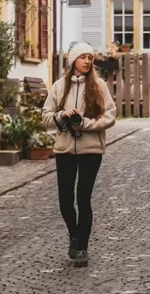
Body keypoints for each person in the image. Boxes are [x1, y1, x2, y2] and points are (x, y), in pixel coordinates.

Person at [43, 41, 116, 268]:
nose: (87, 61)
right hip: (65, 150)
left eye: (90, 58)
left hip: (90, 151)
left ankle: (82, 248)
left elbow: (110, 116)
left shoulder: (99, 85)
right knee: (65, 200)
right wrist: (62, 116)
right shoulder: (58, 86)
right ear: (73, 60)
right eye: (83, 57)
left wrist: (85, 123)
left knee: (83, 199)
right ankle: (74, 235)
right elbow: (45, 117)